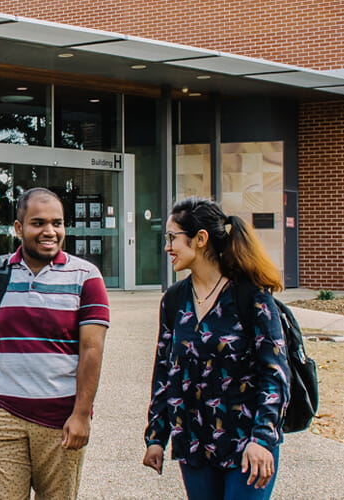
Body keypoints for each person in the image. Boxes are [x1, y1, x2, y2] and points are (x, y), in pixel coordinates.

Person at [0, 187, 110, 500]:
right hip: (1, 415)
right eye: (38, 223)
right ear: (19, 228)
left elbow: (92, 350)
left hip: (61, 419)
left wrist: (81, 414)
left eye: (57, 223)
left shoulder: (86, 276)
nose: (50, 231)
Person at [141, 196, 289, 500]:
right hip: (194, 443)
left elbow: (275, 373)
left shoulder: (250, 296)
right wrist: (156, 436)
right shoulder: (174, 300)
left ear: (200, 239)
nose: (167, 247)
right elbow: (164, 372)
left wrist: (262, 438)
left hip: (247, 444)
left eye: (172, 238)